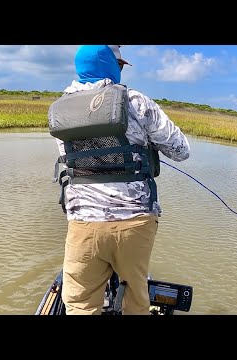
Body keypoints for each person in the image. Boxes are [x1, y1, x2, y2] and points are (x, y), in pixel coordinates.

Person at [48, 45, 190, 315]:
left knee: (78, 303)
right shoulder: (136, 100)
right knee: (136, 299)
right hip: (134, 223)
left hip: (83, 223)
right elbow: (181, 151)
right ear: (111, 66)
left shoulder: (59, 109)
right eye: (120, 65)